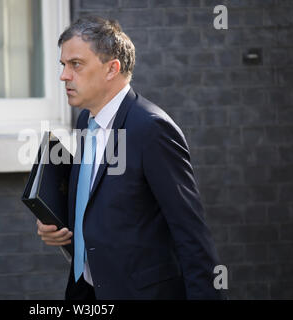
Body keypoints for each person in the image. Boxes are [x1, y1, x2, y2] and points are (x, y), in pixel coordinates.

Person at [37, 16, 224, 300]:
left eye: (76, 64)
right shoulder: (86, 119)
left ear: (112, 69)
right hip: (86, 291)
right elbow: (104, 204)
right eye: (63, 65)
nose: (64, 75)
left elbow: (191, 235)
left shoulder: (151, 129)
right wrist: (61, 227)